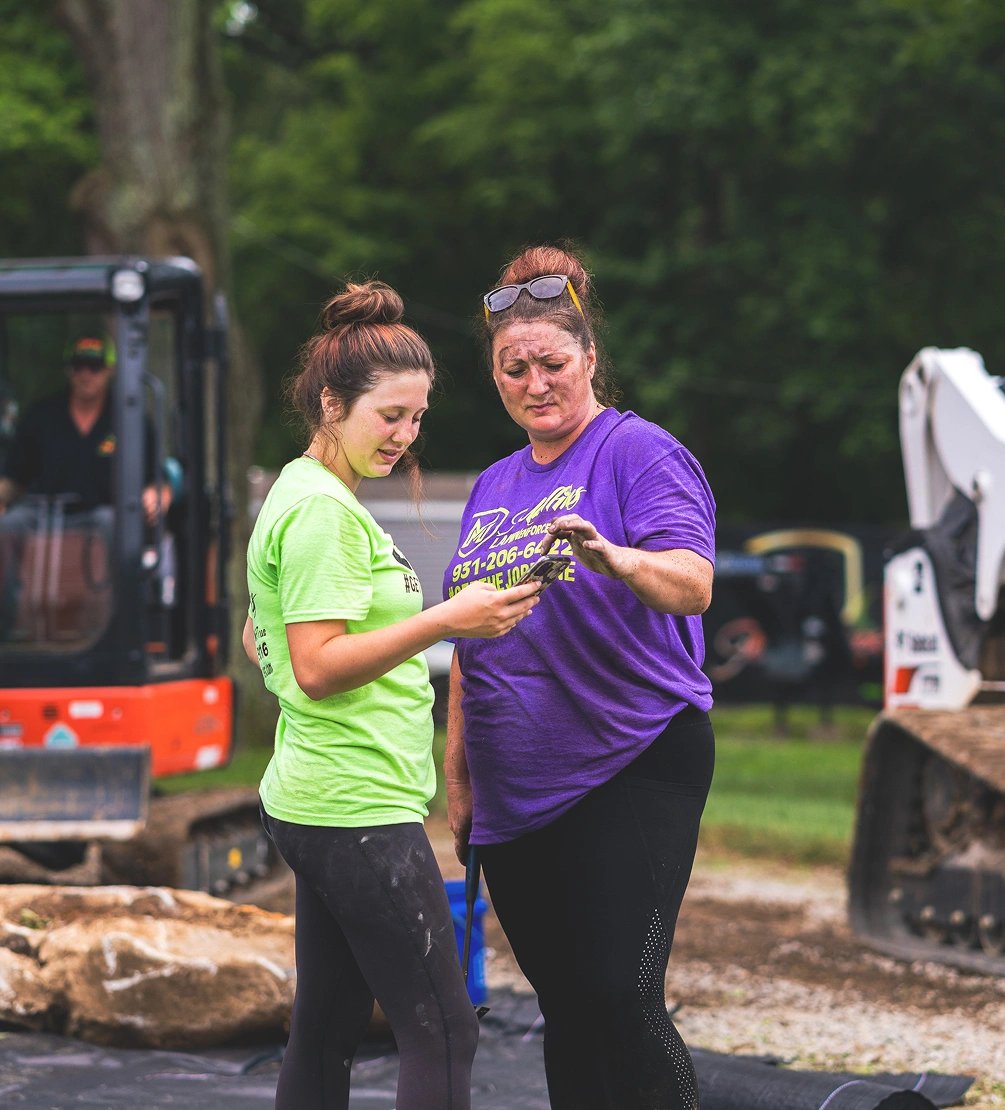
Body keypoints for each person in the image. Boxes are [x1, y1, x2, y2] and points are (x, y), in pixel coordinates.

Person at [243, 281, 540, 1110]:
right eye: (390, 417)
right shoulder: (323, 514)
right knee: (444, 1029)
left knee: (329, 1024)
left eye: (417, 418)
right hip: (353, 806)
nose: (405, 437)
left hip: (324, 795)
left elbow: (259, 631)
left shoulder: (305, 495)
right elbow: (316, 664)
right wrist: (450, 620)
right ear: (332, 404)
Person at [443, 246, 716, 1110]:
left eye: (552, 363)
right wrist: (459, 775)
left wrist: (615, 559)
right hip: (514, 787)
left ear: (589, 359)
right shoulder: (492, 483)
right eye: (512, 368)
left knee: (618, 996)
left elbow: (693, 581)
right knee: (564, 1007)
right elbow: (466, 637)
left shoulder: (638, 453)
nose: (534, 383)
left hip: (629, 761)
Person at [0, 334, 168, 524]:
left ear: (109, 369)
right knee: (9, 524)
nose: (85, 374)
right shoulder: (41, 415)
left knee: (109, 522)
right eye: (78, 367)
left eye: (94, 367)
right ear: (69, 370)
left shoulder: (131, 419)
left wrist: (157, 494)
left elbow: (158, 480)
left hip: (105, 517)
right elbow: (15, 478)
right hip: (45, 517)